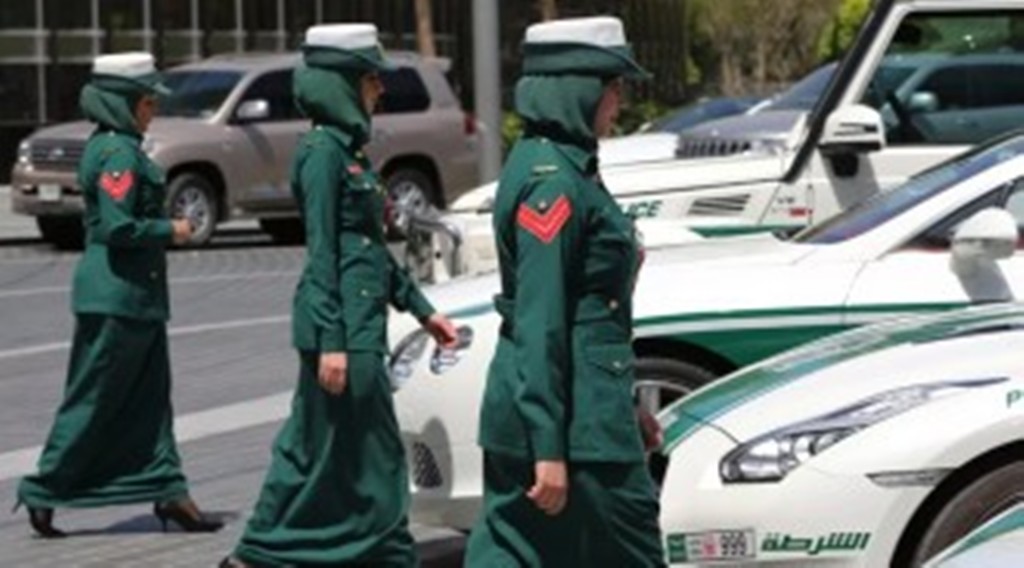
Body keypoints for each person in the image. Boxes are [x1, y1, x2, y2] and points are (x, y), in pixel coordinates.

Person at [222, 24, 458, 568]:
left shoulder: (349, 151)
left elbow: (368, 248)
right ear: (341, 85)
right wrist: (332, 340)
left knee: (316, 447)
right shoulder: (322, 153)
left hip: (357, 322)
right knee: (371, 452)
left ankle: (263, 552)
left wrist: (423, 311)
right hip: (344, 330)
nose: (380, 89)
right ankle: (380, 554)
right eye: (371, 79)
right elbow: (324, 251)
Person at [465, 16, 666, 567]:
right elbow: (543, 319)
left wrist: (626, 408)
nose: (620, 100)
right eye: (613, 85)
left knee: (516, 553)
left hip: (578, 412)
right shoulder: (554, 182)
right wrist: (548, 447)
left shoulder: (556, 162)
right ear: (578, 88)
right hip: (577, 428)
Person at [16, 52, 220, 537]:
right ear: (123, 103)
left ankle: (171, 493)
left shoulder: (115, 145)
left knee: (151, 400)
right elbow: (116, 226)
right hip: (117, 299)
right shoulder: (118, 154)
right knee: (94, 398)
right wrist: (171, 228)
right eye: (147, 101)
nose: (154, 110)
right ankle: (44, 489)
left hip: (134, 299)